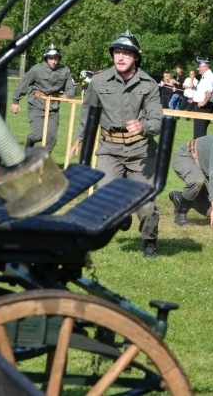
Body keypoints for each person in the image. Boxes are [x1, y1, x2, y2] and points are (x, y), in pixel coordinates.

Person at [69, 31, 164, 259]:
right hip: (109, 149)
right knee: (105, 195)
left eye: (127, 54)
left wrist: (143, 126)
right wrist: (80, 137)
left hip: (141, 150)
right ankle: (122, 212)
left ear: (136, 58)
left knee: (146, 205)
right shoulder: (99, 82)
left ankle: (149, 241)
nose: (120, 58)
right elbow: (88, 112)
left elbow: (157, 119)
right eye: (117, 53)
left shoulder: (149, 84)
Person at [10, 44, 76, 152]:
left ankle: (42, 161)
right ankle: (29, 145)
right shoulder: (36, 69)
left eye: (56, 58)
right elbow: (23, 84)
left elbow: (71, 88)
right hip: (37, 105)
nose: (53, 61)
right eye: (51, 58)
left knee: (51, 138)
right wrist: (15, 101)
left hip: (53, 108)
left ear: (59, 58)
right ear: (46, 58)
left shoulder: (65, 71)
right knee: (38, 134)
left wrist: (68, 95)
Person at [191, 58, 213, 138]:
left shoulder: (208, 76)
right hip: (202, 106)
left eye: (199, 66)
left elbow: (209, 91)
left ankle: (198, 149)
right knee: (199, 132)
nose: (198, 69)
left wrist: (204, 102)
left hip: (203, 107)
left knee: (199, 133)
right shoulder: (206, 76)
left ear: (205, 67)